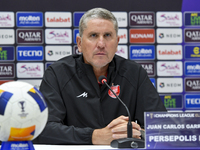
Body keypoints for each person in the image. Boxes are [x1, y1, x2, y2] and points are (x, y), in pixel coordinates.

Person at [33, 8, 166, 145]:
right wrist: (94, 136)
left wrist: (136, 133)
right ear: (79, 43)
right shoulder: (58, 74)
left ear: (117, 43)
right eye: (93, 35)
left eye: (108, 35)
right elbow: (43, 129)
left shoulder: (134, 73)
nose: (101, 44)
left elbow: (161, 126)